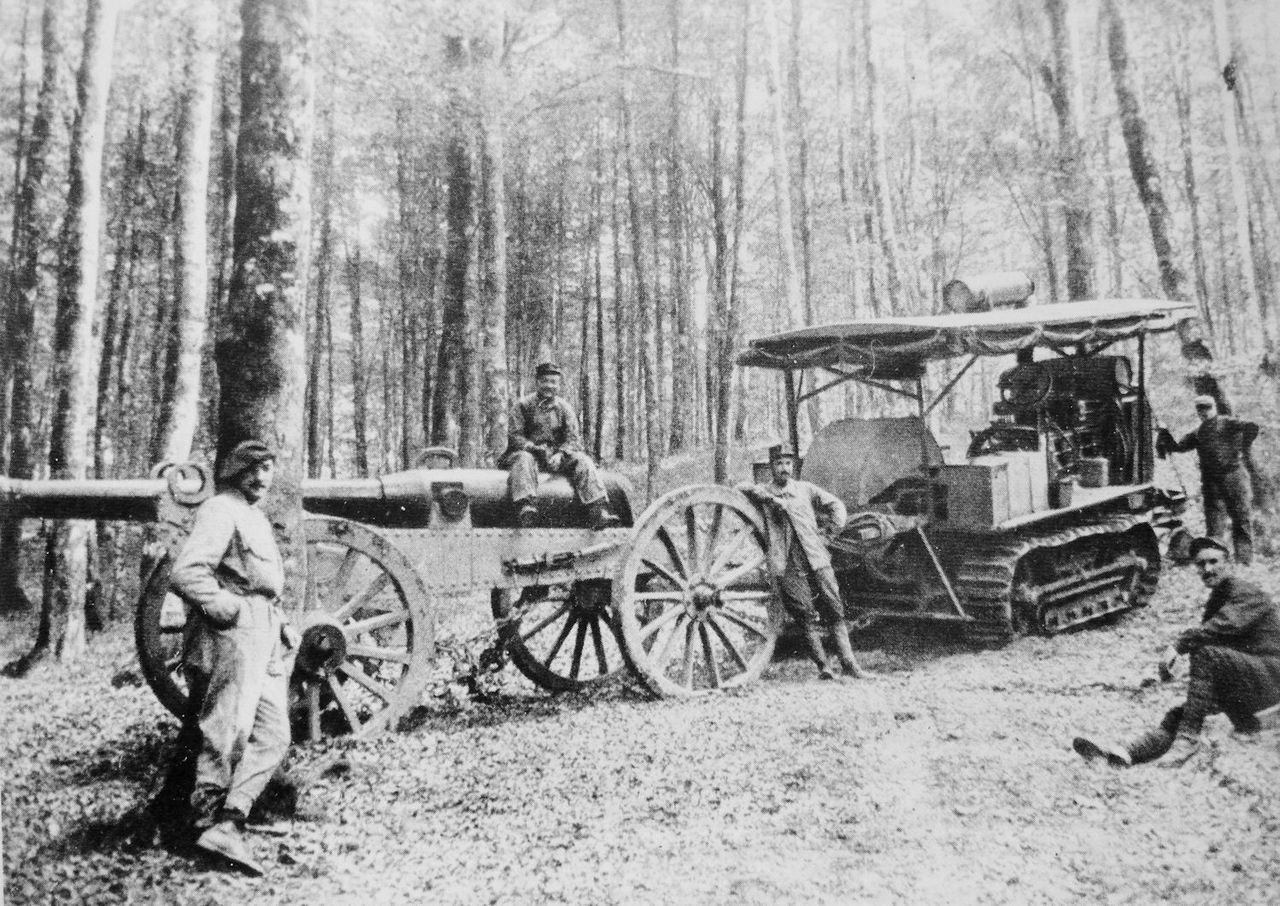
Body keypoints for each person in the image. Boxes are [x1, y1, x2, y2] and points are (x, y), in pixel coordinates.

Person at [165, 439, 297, 876]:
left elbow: (263, 583)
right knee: (226, 731)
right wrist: (225, 607)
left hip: (265, 632)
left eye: (267, 469)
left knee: (274, 734)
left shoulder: (254, 515)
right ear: (234, 473)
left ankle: (231, 819)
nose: (261, 478)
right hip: (232, 633)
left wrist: (279, 624)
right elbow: (187, 571)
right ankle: (205, 822)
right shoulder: (221, 509)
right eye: (252, 470)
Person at [1073, 536, 1280, 768]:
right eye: (1201, 564)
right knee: (1182, 714)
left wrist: (1177, 647)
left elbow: (1219, 629)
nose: (1207, 569)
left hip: (1271, 678)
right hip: (1248, 684)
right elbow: (1208, 644)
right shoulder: (1218, 599)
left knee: (1207, 657)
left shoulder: (1245, 592)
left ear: (1228, 563)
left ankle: (1188, 740)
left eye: (1213, 562)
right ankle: (1123, 755)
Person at [739, 444, 871, 680]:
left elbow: (836, 506)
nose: (784, 468)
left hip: (817, 559)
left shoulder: (805, 489)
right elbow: (740, 488)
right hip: (787, 564)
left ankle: (850, 665)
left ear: (793, 466)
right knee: (804, 615)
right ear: (771, 467)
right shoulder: (764, 493)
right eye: (779, 464)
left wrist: (830, 534)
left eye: (788, 463)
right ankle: (824, 668)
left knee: (834, 610)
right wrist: (768, 498)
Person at [499, 361, 618, 530]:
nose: (549, 386)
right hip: (529, 455)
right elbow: (515, 436)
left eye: (553, 382)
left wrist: (561, 454)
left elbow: (573, 438)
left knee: (583, 461)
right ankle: (525, 507)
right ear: (537, 382)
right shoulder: (523, 406)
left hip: (556, 457)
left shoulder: (564, 408)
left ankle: (598, 509)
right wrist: (532, 447)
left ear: (558, 385)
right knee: (524, 459)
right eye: (545, 381)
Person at [1157, 395, 1260, 564]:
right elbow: (1178, 447)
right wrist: (1164, 433)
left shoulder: (1227, 422)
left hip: (1233, 478)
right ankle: (1215, 560)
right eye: (1200, 410)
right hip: (1212, 483)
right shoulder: (1199, 432)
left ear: (1214, 408)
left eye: (1207, 409)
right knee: (1214, 524)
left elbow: (1252, 427)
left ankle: (1244, 561)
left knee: (1241, 520)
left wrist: (1243, 446)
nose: (1204, 413)